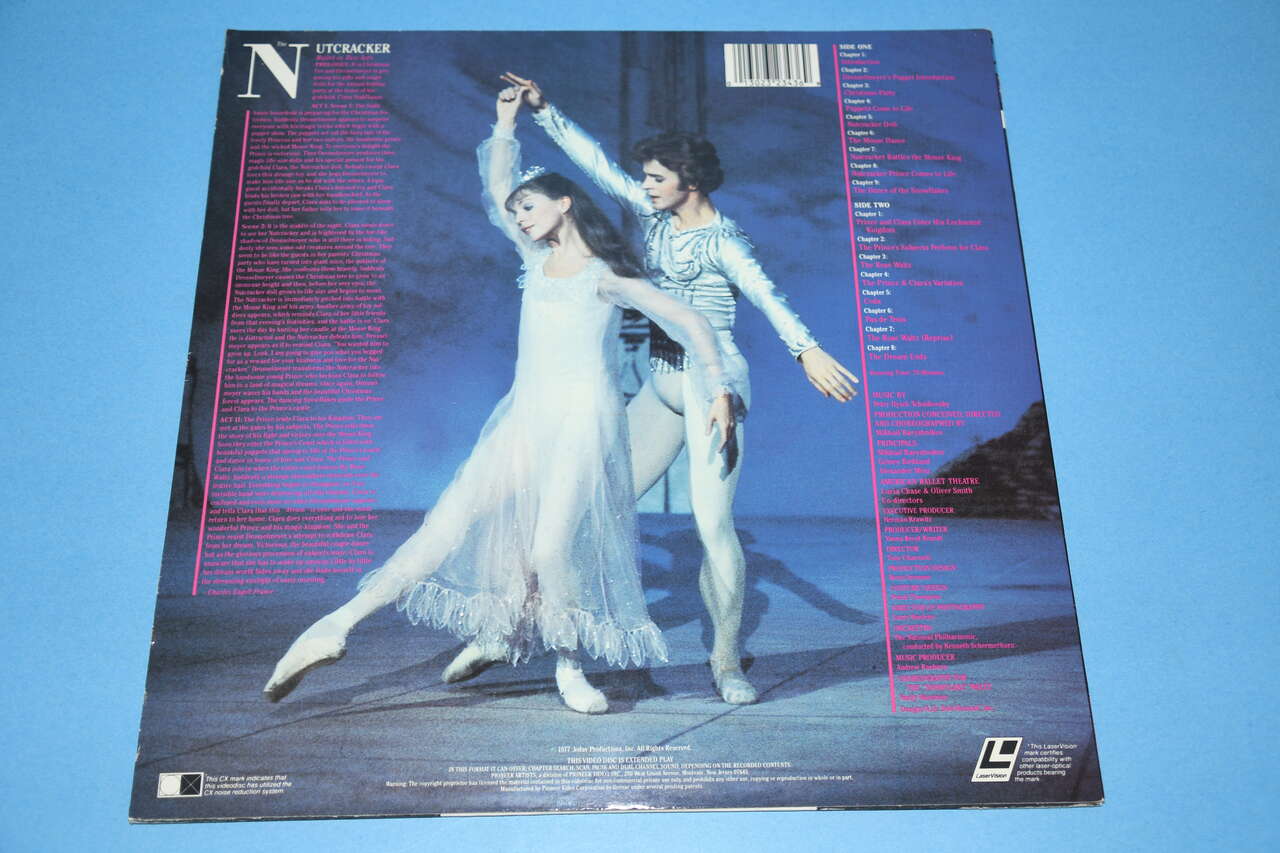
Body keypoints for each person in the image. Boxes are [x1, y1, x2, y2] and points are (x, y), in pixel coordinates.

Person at [262, 86, 742, 715]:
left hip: (582, 429)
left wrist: (719, 387)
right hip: (523, 423)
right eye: (517, 211)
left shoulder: (606, 278)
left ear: (564, 204)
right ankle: (332, 627)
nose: (519, 217)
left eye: (529, 206)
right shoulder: (534, 261)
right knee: (444, 526)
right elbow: (495, 190)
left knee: (549, 548)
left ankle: (569, 666)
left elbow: (692, 321)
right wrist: (506, 124)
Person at [452, 73, 861, 706]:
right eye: (645, 177)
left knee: (713, 525)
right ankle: (515, 627)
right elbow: (599, 168)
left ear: (688, 182)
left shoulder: (726, 242)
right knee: (589, 509)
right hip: (661, 381)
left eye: (655, 177)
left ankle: (726, 662)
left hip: (713, 386)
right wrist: (545, 109)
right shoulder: (653, 216)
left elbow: (767, 296)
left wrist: (806, 349)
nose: (643, 185)